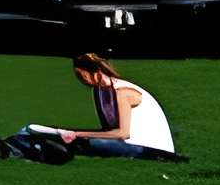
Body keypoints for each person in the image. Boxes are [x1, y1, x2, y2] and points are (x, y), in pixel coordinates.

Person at [42, 53, 181, 160]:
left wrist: (77, 134)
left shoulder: (122, 92)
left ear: (95, 73)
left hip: (148, 147)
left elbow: (122, 133)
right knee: (84, 141)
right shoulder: (99, 91)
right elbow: (107, 129)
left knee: (94, 144)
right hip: (125, 142)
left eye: (82, 76)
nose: (81, 80)